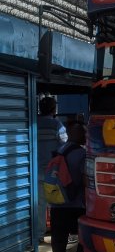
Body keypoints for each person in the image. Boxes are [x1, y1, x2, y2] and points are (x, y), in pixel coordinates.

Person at [50, 119, 90, 252]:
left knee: (58, 243)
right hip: (75, 205)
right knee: (84, 240)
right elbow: (85, 179)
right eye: (84, 133)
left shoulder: (59, 150)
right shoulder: (81, 154)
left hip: (57, 204)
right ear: (78, 134)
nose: (86, 136)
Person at [36, 96, 67, 243]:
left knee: (40, 204)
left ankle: (39, 235)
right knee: (56, 202)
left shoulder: (34, 123)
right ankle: (58, 234)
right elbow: (64, 144)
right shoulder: (56, 125)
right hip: (52, 172)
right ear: (53, 109)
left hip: (36, 171)